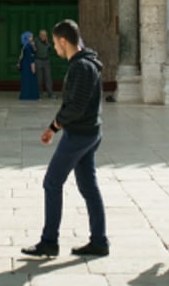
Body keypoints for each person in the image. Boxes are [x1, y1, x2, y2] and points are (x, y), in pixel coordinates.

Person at [22, 19, 108, 258]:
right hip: (90, 132)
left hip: (79, 134)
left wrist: (53, 127)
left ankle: (49, 241)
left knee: (52, 182)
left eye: (56, 44)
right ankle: (99, 241)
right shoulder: (86, 62)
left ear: (63, 41)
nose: (55, 48)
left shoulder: (82, 67)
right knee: (89, 187)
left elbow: (76, 107)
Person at [18, 31, 40, 101]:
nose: (32, 38)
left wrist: (33, 45)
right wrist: (33, 67)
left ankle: (26, 95)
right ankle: (30, 95)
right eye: (30, 37)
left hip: (25, 65)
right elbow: (31, 57)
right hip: (28, 65)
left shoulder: (25, 45)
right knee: (30, 80)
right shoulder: (28, 47)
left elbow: (35, 50)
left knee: (26, 80)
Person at [34, 29, 55, 98]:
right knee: (39, 78)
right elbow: (33, 49)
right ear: (39, 35)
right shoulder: (36, 41)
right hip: (38, 60)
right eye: (42, 35)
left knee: (48, 77)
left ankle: (50, 93)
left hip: (46, 61)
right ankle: (39, 93)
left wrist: (47, 43)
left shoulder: (47, 41)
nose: (44, 36)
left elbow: (51, 48)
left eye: (45, 35)